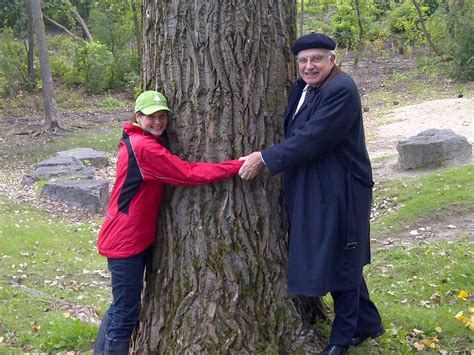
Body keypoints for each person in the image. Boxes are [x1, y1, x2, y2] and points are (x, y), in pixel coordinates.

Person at [239, 33, 384, 355]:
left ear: (332, 59)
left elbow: (312, 137)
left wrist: (265, 158)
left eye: (316, 59)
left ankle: (341, 340)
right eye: (303, 61)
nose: (309, 66)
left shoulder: (340, 90)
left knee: (341, 259)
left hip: (342, 188)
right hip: (317, 185)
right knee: (336, 255)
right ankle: (368, 323)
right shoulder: (304, 88)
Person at [93, 90, 243, 355]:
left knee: (120, 307)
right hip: (125, 242)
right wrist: (234, 165)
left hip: (127, 236)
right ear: (137, 116)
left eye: (162, 116)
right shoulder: (143, 147)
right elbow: (187, 173)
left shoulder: (135, 139)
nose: (158, 122)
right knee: (126, 315)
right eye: (150, 117)